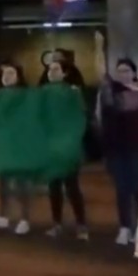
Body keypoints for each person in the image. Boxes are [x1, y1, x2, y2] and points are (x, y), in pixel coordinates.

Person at [97, 58, 138, 246]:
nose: (122, 74)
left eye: (126, 70)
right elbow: (102, 120)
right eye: (119, 71)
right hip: (117, 148)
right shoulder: (110, 94)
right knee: (122, 189)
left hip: (137, 147)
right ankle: (124, 227)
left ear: (133, 72)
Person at [44, 59, 89, 241]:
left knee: (72, 187)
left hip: (68, 146)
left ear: (64, 73)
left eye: (56, 69)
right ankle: (56, 223)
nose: (52, 72)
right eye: (50, 69)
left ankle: (81, 225)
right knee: (53, 187)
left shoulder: (73, 92)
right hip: (51, 147)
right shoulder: (43, 93)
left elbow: (80, 117)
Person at [0, 63, 33, 235]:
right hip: (3, 145)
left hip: (20, 146)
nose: (7, 76)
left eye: (11, 73)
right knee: (3, 182)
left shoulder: (26, 96)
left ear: (18, 76)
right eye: (4, 73)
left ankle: (25, 219)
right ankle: (3, 216)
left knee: (21, 184)